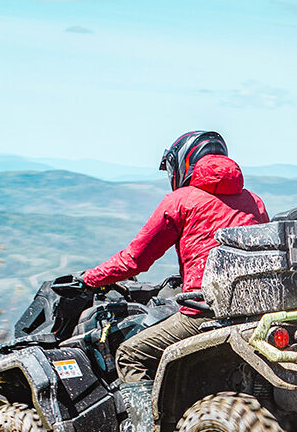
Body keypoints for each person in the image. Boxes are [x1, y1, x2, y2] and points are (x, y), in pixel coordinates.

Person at [82, 131, 268, 405]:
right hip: (254, 310)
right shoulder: (254, 200)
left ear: (183, 164)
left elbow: (135, 260)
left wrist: (89, 279)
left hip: (204, 314)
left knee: (131, 354)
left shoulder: (181, 200)